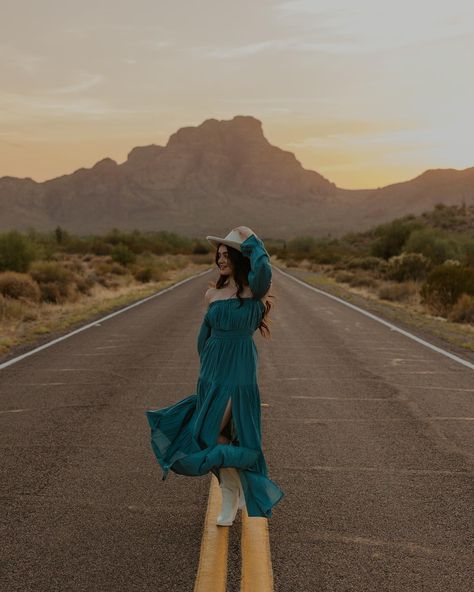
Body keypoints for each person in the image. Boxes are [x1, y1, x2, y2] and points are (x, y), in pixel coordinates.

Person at [145, 226, 284, 526]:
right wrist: (205, 367)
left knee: (212, 436)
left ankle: (247, 480)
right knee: (216, 435)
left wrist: (251, 238)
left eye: (226, 254)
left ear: (238, 256)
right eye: (217, 255)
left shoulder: (253, 291)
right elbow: (203, 337)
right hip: (211, 374)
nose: (220, 260)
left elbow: (263, 268)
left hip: (239, 374)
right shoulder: (212, 294)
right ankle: (231, 492)